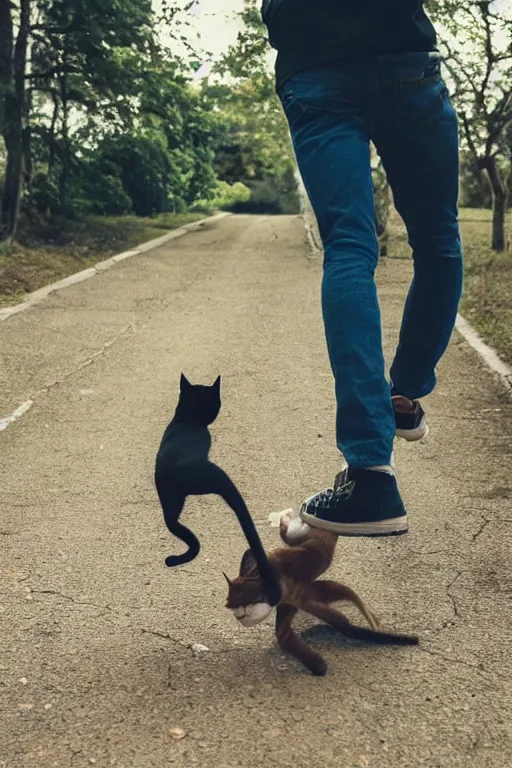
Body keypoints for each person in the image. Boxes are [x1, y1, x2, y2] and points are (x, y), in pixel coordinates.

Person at [261, 0, 463, 537]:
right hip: (405, 63)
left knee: (350, 248)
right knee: (438, 241)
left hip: (317, 68)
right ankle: (405, 394)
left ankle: (371, 474)